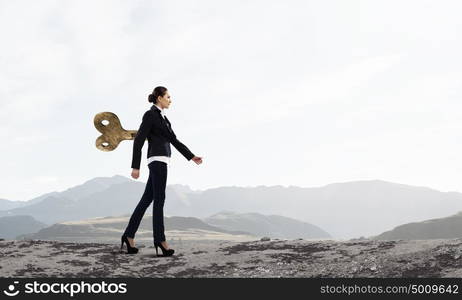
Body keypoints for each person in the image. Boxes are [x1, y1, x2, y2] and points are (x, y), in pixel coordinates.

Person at [120, 86, 203, 256]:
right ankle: (160, 240)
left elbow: (174, 140)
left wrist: (191, 156)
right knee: (159, 199)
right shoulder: (150, 115)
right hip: (157, 161)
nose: (170, 100)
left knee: (147, 200)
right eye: (168, 97)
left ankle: (128, 236)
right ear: (159, 98)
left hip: (162, 161)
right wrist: (135, 166)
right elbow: (139, 141)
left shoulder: (164, 119)